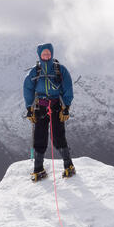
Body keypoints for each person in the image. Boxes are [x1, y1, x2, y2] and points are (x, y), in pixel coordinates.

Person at [23, 42, 75, 181]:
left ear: (52, 53)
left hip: (56, 106)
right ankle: (38, 169)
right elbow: (28, 89)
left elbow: (68, 88)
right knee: (39, 137)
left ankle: (68, 165)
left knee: (58, 136)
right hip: (40, 107)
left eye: (48, 53)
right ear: (39, 55)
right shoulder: (35, 71)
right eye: (44, 53)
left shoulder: (60, 70)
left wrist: (66, 107)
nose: (46, 55)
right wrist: (29, 108)